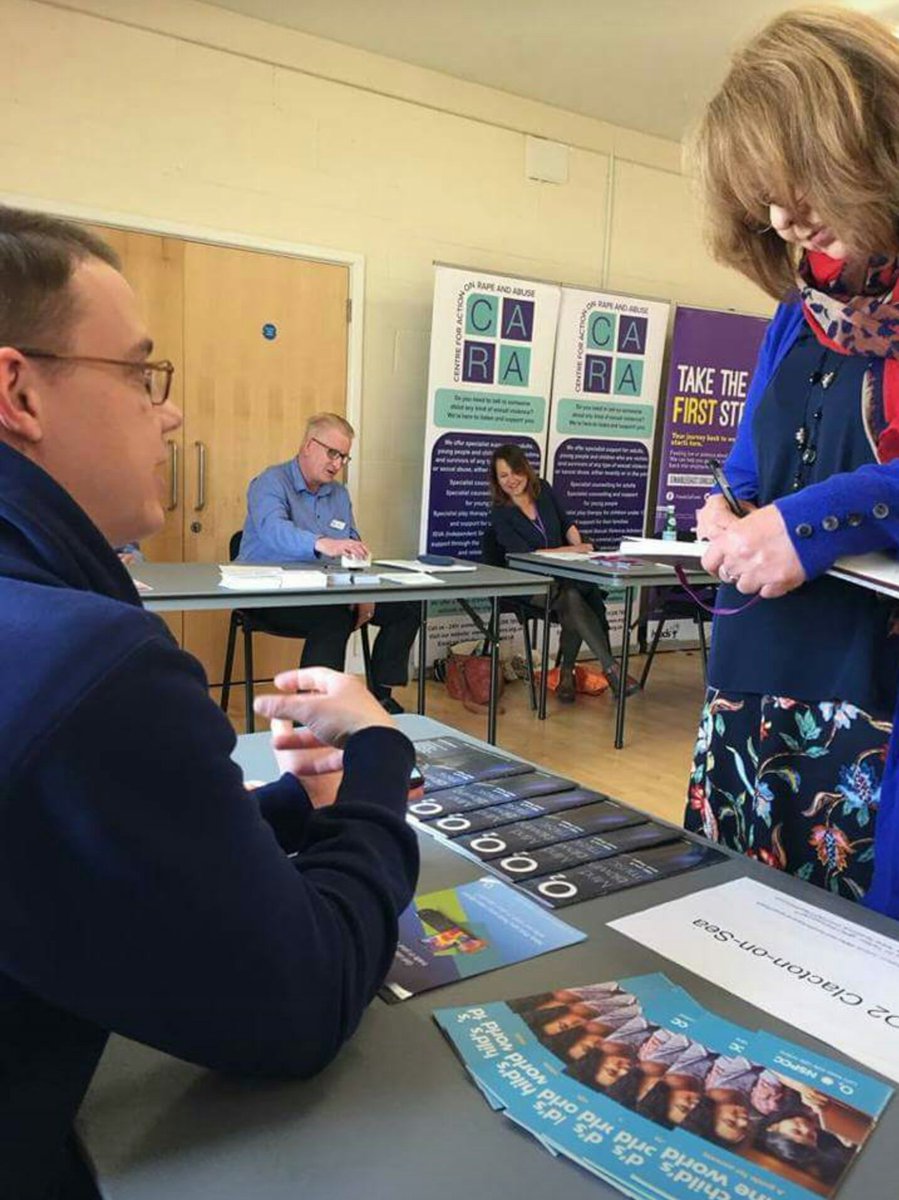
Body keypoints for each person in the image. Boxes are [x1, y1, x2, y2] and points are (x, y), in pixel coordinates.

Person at [0, 206, 419, 1199]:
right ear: (18, 390)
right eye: (142, 375)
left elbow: (87, 837)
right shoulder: (90, 665)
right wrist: (376, 763)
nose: (170, 412)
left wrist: (278, 806)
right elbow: (301, 1006)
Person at [683, 8, 899, 902]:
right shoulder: (792, 314)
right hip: (753, 679)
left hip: (872, 690)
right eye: (761, 197)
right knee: (732, 933)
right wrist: (721, 509)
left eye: (795, 185)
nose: (780, 219)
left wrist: (806, 523)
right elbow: (747, 461)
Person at [238, 412, 420, 713]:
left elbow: (352, 545)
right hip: (268, 594)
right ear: (309, 445)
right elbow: (273, 531)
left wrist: (363, 590)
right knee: (335, 615)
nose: (337, 464)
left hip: (326, 590)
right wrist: (321, 543)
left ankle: (380, 696)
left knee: (406, 607)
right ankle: (312, 714)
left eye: (344, 457)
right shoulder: (269, 482)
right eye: (332, 453)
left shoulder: (338, 493)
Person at [487, 443, 637, 702]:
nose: (511, 480)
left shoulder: (542, 489)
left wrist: (580, 547)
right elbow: (524, 553)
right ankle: (607, 669)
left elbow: (567, 522)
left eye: (516, 472)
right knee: (573, 597)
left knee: (574, 594)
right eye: (503, 476)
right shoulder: (501, 512)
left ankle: (569, 675)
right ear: (496, 481)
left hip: (562, 577)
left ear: (526, 469)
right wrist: (572, 549)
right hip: (526, 585)